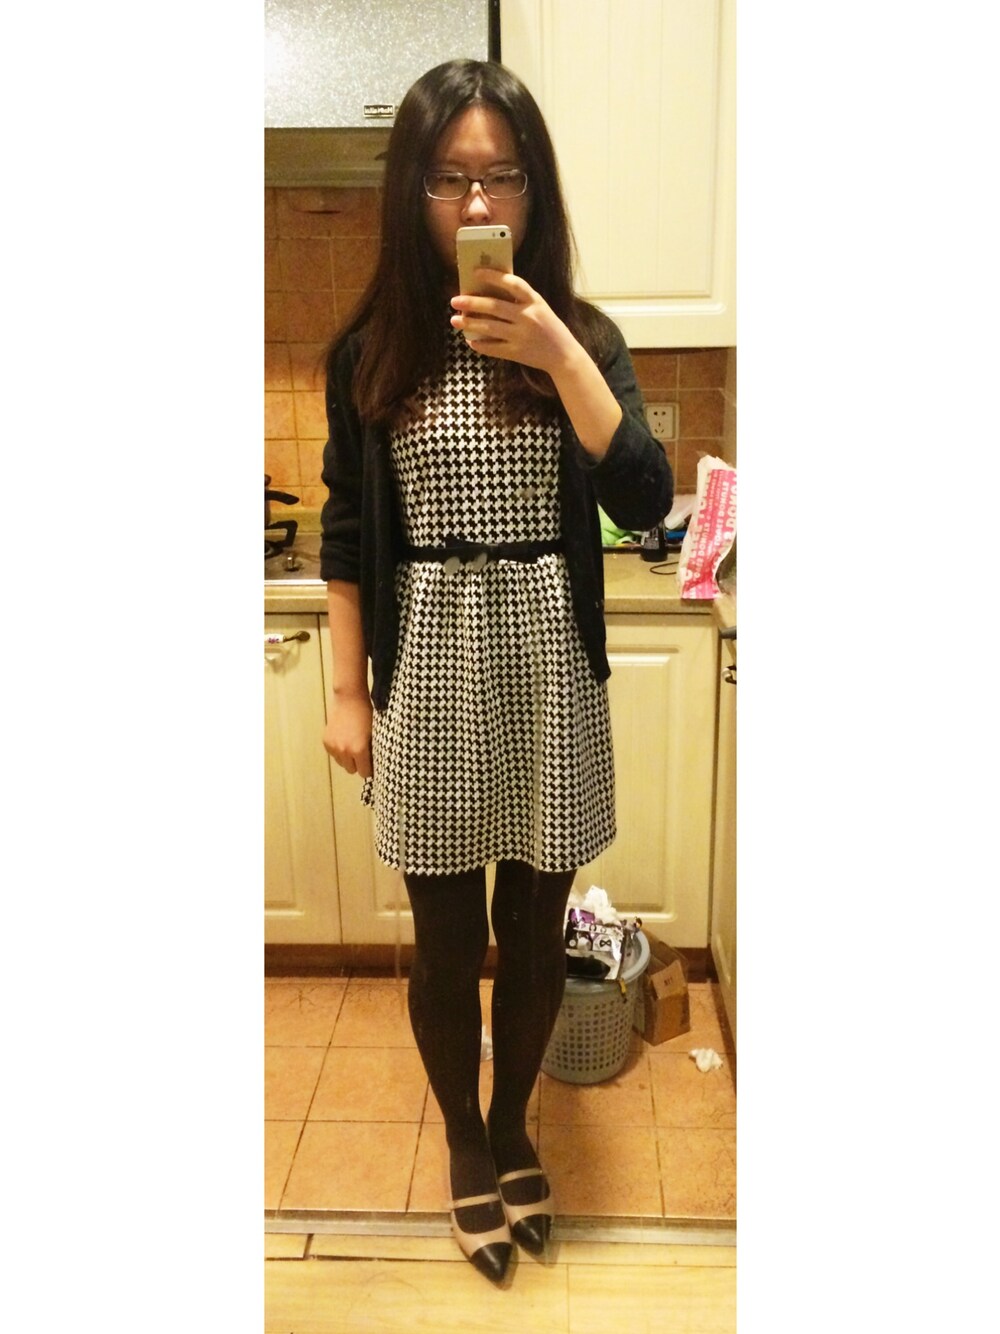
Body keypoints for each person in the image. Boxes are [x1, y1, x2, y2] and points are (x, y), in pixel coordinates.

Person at [319, 58, 672, 1283]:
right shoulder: (369, 349)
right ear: (410, 192)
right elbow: (348, 533)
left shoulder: (587, 339)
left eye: (501, 176)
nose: (477, 203)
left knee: (531, 935)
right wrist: (346, 691)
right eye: (448, 178)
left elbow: (643, 495)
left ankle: (514, 1122)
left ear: (534, 189)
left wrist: (560, 352)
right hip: (429, 668)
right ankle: (465, 1140)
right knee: (443, 938)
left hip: (546, 668)